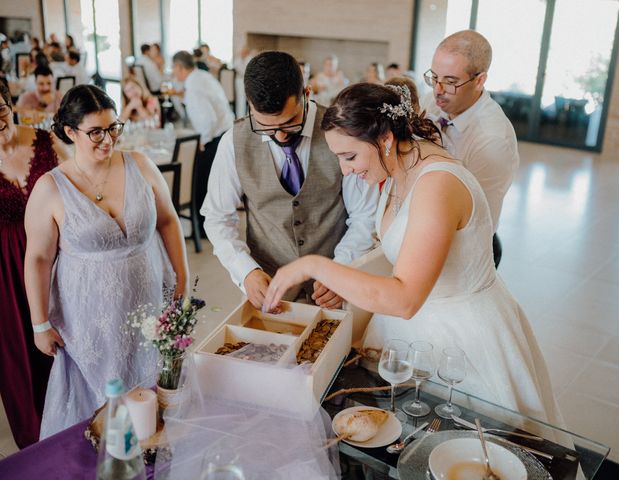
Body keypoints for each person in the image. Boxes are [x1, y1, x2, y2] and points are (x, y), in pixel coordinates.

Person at [263, 83, 563, 426]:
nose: (346, 170)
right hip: (408, 332)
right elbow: (398, 252)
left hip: (460, 338)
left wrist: (316, 265)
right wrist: (345, 281)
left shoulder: (437, 186)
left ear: (386, 139)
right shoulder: (399, 168)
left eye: (349, 156)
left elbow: (405, 298)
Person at [24, 84, 189, 438]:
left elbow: (168, 221)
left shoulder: (140, 165)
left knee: (156, 398)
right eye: (95, 131)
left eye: (113, 127)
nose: (108, 139)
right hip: (88, 320)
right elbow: (38, 258)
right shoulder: (51, 188)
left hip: (149, 305)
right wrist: (40, 324)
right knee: (98, 406)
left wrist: (182, 279)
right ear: (70, 132)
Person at [201, 51, 378, 310]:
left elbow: (364, 216)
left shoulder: (342, 133)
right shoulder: (233, 142)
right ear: (250, 106)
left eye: (291, 122)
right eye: (266, 127)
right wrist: (246, 271)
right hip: (269, 288)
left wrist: (339, 271)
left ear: (307, 94)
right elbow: (217, 217)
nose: (281, 136)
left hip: (335, 286)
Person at [0, 81, 65, 448]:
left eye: (1, 113)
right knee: (20, 358)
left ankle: (76, 427)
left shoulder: (44, 141)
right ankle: (37, 445)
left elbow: (78, 183)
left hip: (58, 260)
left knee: (64, 344)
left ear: (11, 105)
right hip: (5, 274)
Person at [422, 30, 519, 267]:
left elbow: (476, 217)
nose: (438, 89)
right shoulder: (432, 103)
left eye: (451, 81)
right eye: (434, 77)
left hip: (466, 246)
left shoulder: (492, 140)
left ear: (480, 80)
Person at [172, 50, 234, 229]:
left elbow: (208, 120)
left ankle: (202, 226)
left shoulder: (194, 87)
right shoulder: (202, 76)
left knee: (201, 182)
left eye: (174, 68)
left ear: (179, 67)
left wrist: (202, 142)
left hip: (215, 137)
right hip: (225, 132)